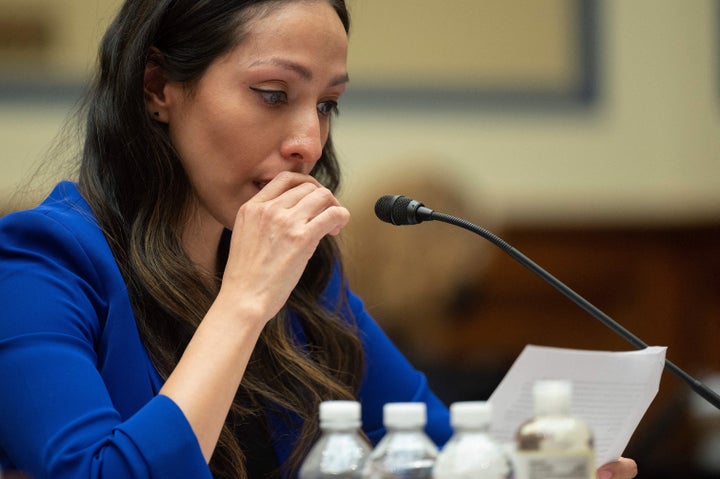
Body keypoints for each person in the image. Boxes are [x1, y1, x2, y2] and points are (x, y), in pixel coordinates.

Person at [0, 1, 638, 478]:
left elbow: (435, 447)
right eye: (273, 94)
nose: (308, 140)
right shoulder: (42, 263)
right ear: (158, 88)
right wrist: (244, 302)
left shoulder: (306, 275)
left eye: (327, 103)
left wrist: (535, 468)